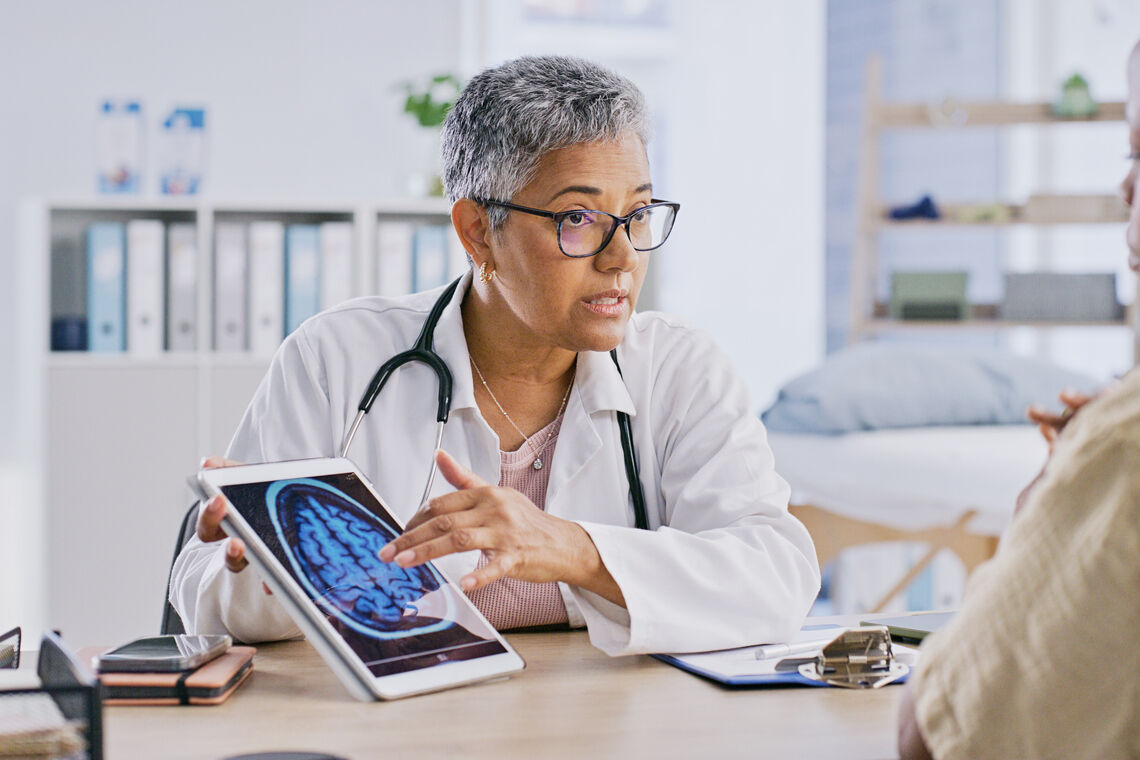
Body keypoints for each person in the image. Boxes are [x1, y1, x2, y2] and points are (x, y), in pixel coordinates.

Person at [170, 55, 820, 656]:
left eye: (639, 213)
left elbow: (776, 576)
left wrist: (573, 550)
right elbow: (208, 604)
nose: (623, 257)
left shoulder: (680, 371)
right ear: (478, 232)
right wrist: (261, 572)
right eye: (578, 219)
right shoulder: (336, 360)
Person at [898, 40, 1140, 759]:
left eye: (1138, 155)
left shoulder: (1123, 445)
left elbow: (933, 736)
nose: (1127, 189)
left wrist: (1053, 493)